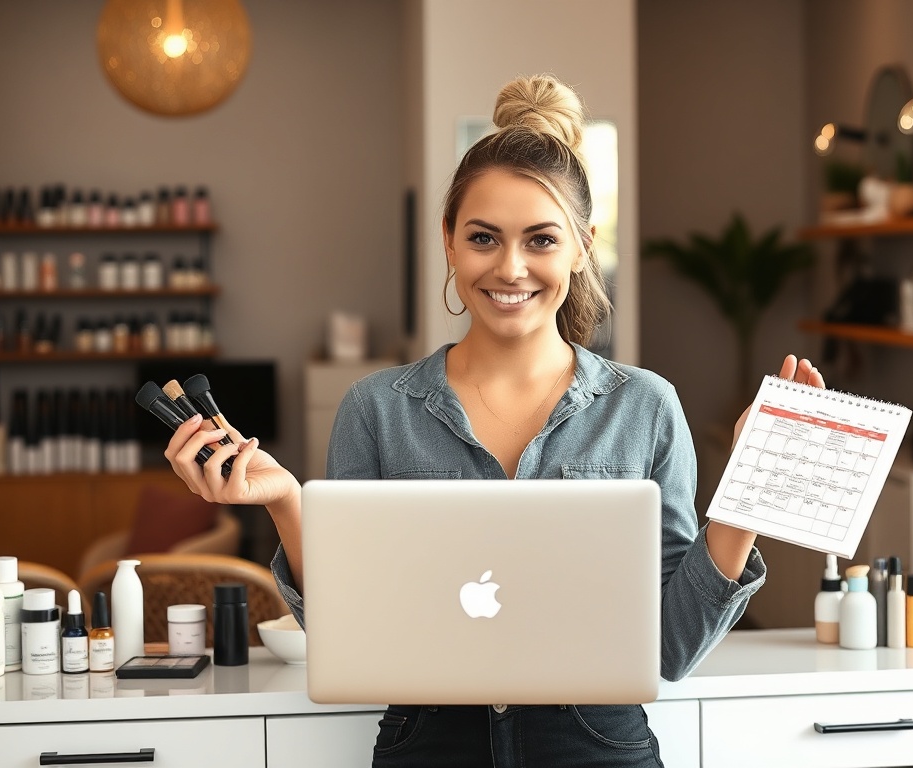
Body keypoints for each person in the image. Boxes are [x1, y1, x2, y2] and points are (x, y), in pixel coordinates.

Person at [165, 73, 826, 767]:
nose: (511, 268)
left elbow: (669, 649)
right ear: (449, 241)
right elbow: (350, 641)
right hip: (427, 743)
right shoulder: (377, 409)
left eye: (541, 240)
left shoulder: (645, 407)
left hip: (598, 745)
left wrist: (751, 490)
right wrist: (287, 504)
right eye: (484, 237)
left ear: (581, 246)